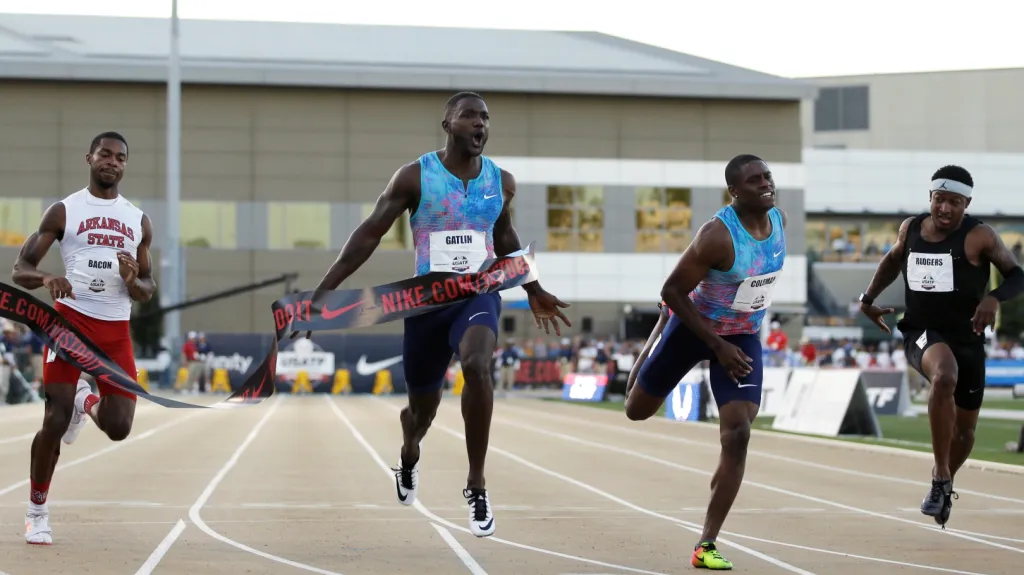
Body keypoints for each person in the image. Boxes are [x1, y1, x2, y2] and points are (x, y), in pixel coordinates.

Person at [298, 91, 570, 537]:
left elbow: (504, 236)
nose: (480, 124)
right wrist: (322, 297)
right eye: (469, 117)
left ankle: (476, 485)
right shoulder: (414, 177)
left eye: (485, 118)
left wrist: (533, 288)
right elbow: (368, 234)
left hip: (478, 293)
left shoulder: (501, 182)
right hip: (425, 303)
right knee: (421, 414)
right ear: (448, 126)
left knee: (479, 364)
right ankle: (409, 452)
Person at [623, 154, 786, 570]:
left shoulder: (779, 221)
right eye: (755, 180)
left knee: (738, 434)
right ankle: (654, 336)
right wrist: (715, 344)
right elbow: (673, 289)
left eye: (767, 176)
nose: (766, 184)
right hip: (692, 328)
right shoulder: (716, 235)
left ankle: (706, 543)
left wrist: (733, 341)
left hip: (743, 335)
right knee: (636, 411)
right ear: (735, 191)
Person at [857, 165, 1023, 527]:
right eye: (939, 200)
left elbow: (1017, 275)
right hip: (922, 331)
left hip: (968, 337)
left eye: (954, 202)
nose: (945, 209)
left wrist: (993, 298)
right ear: (930, 198)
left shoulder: (980, 235)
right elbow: (892, 259)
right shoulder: (911, 228)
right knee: (944, 376)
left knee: (965, 431)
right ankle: (941, 478)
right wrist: (868, 298)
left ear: (967, 203)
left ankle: (944, 481)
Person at [12, 131, 156, 545]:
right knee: (53, 420)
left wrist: (132, 280)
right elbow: (21, 268)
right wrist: (47, 278)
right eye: (105, 154)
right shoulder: (64, 211)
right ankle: (37, 511)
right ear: (89, 158)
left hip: (115, 334)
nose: (112, 161)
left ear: (125, 165)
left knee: (119, 427)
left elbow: (148, 289)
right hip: (70, 327)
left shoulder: (138, 220)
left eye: (120, 157)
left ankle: (85, 399)